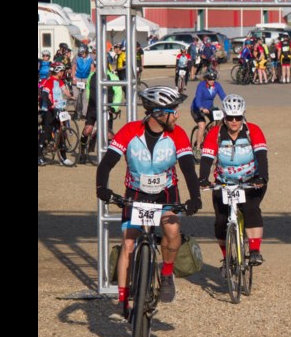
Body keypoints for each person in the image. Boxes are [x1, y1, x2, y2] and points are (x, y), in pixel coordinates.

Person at [95, 87, 202, 315]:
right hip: (136, 193)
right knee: (128, 244)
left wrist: (195, 198)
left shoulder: (178, 134)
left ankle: (166, 274)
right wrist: (102, 188)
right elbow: (106, 163)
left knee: (172, 232)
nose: (178, 115)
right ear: (159, 114)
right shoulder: (130, 131)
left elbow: (188, 170)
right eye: (174, 111)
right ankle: (123, 299)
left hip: (166, 192)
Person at [198, 94, 269, 267]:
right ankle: (226, 257)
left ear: (243, 116)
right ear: (224, 117)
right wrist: (203, 179)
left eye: (238, 117)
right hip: (224, 181)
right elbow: (207, 159)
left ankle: (254, 251)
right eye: (230, 118)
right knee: (221, 220)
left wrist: (262, 177)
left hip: (251, 180)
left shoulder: (253, 130)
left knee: (251, 209)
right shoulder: (215, 133)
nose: (234, 122)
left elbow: (261, 156)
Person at [37, 62, 76, 166]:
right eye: (62, 71)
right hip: (49, 110)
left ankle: (63, 158)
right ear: (57, 71)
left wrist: (72, 97)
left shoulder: (60, 81)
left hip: (59, 109)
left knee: (62, 132)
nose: (63, 73)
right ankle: (39, 155)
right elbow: (45, 95)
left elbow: (65, 91)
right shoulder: (49, 81)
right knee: (46, 132)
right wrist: (51, 106)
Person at [190, 71, 227, 150]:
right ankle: (198, 148)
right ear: (206, 79)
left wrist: (228, 104)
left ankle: (212, 136)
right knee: (202, 125)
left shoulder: (217, 85)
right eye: (210, 79)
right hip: (197, 108)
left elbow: (223, 96)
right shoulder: (201, 86)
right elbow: (198, 98)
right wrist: (201, 108)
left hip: (209, 107)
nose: (212, 81)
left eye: (213, 79)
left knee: (220, 120)